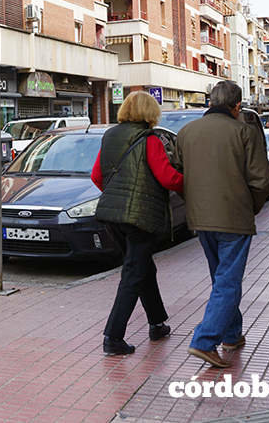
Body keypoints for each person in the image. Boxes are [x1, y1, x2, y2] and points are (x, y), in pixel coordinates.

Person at [177, 81, 269, 368]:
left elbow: (179, 174)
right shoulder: (245, 131)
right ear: (237, 107)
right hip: (234, 218)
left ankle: (232, 334)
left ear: (209, 103)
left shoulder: (186, 132)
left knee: (221, 277)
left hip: (200, 219)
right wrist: (252, 207)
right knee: (228, 282)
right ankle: (203, 341)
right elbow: (261, 179)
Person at [91, 91, 183, 356]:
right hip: (140, 217)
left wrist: (117, 196)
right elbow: (167, 178)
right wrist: (188, 182)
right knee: (133, 273)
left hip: (112, 215)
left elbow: (97, 176)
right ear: (150, 112)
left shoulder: (110, 135)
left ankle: (157, 323)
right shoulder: (150, 139)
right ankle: (113, 337)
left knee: (142, 266)